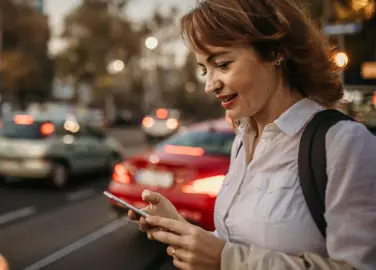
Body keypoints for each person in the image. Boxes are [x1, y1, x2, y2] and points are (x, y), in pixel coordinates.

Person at [128, 0, 376, 269]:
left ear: (274, 52)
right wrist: (182, 232)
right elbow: (236, 241)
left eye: (222, 64)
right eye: (204, 70)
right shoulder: (242, 139)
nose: (210, 85)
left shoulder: (344, 144)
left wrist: (225, 259)